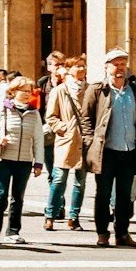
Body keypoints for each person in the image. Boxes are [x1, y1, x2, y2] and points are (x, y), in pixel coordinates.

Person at [82, 49, 136, 248]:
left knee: (124, 195)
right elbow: (86, 118)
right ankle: (102, 233)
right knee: (103, 194)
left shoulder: (135, 90)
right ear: (106, 66)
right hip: (106, 151)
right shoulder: (97, 89)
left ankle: (122, 233)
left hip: (129, 150)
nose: (119, 69)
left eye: (122, 64)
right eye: (115, 64)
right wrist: (89, 143)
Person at [0, 75, 45, 246]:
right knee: (1, 196)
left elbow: (38, 139)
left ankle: (13, 232)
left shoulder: (34, 113)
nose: (26, 94)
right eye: (22, 91)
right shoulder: (3, 109)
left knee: (18, 197)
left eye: (29, 91)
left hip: (24, 161)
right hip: (4, 159)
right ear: (13, 91)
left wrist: (38, 163)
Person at [44, 56, 89, 230]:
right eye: (78, 66)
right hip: (66, 140)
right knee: (59, 179)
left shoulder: (90, 89)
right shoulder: (60, 90)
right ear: (69, 70)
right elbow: (51, 117)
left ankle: (74, 217)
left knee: (80, 181)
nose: (81, 69)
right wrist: (65, 128)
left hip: (84, 140)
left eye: (84, 66)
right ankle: (50, 215)